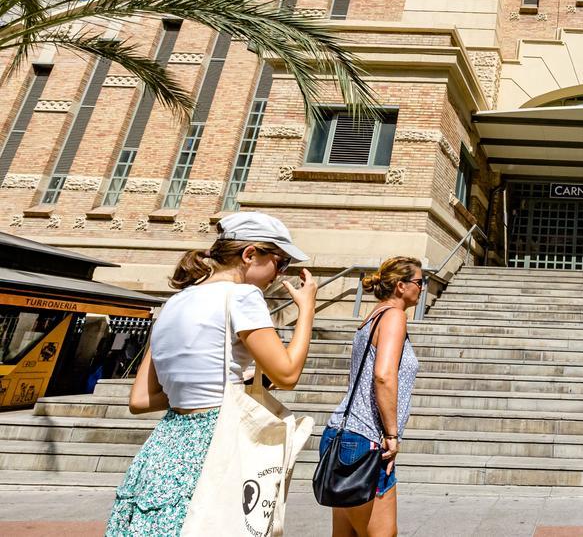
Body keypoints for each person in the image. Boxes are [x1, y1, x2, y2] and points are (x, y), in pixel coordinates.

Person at [106, 212, 317, 536]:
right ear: (250, 255)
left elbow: (140, 399)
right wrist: (307, 310)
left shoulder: (174, 303)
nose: (279, 274)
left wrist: (226, 384)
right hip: (215, 442)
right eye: (280, 262)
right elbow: (288, 374)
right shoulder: (243, 296)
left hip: (165, 448)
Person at [321, 256, 422, 537]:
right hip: (366, 440)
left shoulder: (373, 316)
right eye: (419, 282)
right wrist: (392, 434)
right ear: (401, 286)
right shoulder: (394, 316)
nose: (422, 288)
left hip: (343, 433)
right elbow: (383, 375)